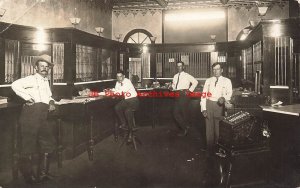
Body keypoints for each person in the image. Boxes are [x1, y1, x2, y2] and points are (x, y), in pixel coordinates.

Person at [11, 54, 56, 184]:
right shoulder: (30, 79)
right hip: (30, 116)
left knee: (48, 143)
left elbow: (49, 96)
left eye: (46, 67)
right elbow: (14, 85)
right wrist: (27, 98)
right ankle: (29, 177)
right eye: (42, 66)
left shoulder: (46, 81)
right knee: (28, 146)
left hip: (42, 116)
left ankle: (43, 174)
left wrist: (51, 102)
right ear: (36, 67)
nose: (44, 69)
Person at [200, 62, 232, 155]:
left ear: (221, 70)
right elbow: (203, 95)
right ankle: (209, 150)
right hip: (209, 104)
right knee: (209, 130)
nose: (216, 71)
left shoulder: (227, 81)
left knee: (219, 129)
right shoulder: (208, 81)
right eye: (214, 69)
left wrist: (224, 98)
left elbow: (229, 94)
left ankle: (218, 149)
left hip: (219, 105)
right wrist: (203, 109)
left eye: (218, 69)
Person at [171, 61, 198, 136]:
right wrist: (171, 87)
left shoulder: (187, 75)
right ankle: (185, 127)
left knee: (184, 113)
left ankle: (185, 130)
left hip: (184, 94)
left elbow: (195, 82)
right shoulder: (175, 76)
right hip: (176, 94)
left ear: (183, 67)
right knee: (175, 113)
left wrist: (189, 91)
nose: (179, 67)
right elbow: (174, 85)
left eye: (180, 66)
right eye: (177, 66)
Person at [113, 70, 139, 141]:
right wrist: (115, 91)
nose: (119, 78)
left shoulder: (127, 81)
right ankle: (123, 122)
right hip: (126, 100)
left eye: (120, 76)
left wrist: (115, 91)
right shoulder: (117, 82)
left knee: (128, 111)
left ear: (124, 76)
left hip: (133, 100)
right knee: (117, 107)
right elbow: (116, 90)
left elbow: (121, 91)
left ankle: (130, 132)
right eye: (117, 77)